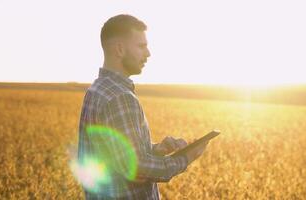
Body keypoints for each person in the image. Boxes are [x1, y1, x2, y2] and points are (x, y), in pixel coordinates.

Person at [77, 14, 209, 200]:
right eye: (141, 46)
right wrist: (185, 158)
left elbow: (118, 157)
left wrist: (156, 150)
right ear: (120, 49)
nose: (148, 53)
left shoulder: (97, 90)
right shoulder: (120, 97)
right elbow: (137, 168)